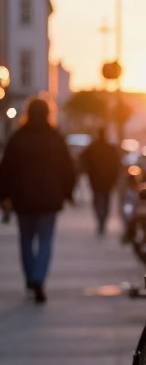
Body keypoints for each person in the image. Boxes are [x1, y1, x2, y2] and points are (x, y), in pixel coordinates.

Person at [0, 98, 77, 303]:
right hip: (49, 199)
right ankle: (38, 278)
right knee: (45, 240)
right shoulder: (55, 138)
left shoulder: (17, 138)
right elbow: (68, 168)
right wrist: (68, 192)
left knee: (25, 240)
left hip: (22, 199)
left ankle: (29, 279)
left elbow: (6, 170)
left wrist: (3, 196)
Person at [79, 127, 122, 235]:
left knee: (98, 201)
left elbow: (82, 159)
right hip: (105, 181)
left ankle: (101, 221)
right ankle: (101, 221)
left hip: (97, 180)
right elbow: (117, 165)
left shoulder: (94, 148)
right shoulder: (109, 148)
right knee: (105, 201)